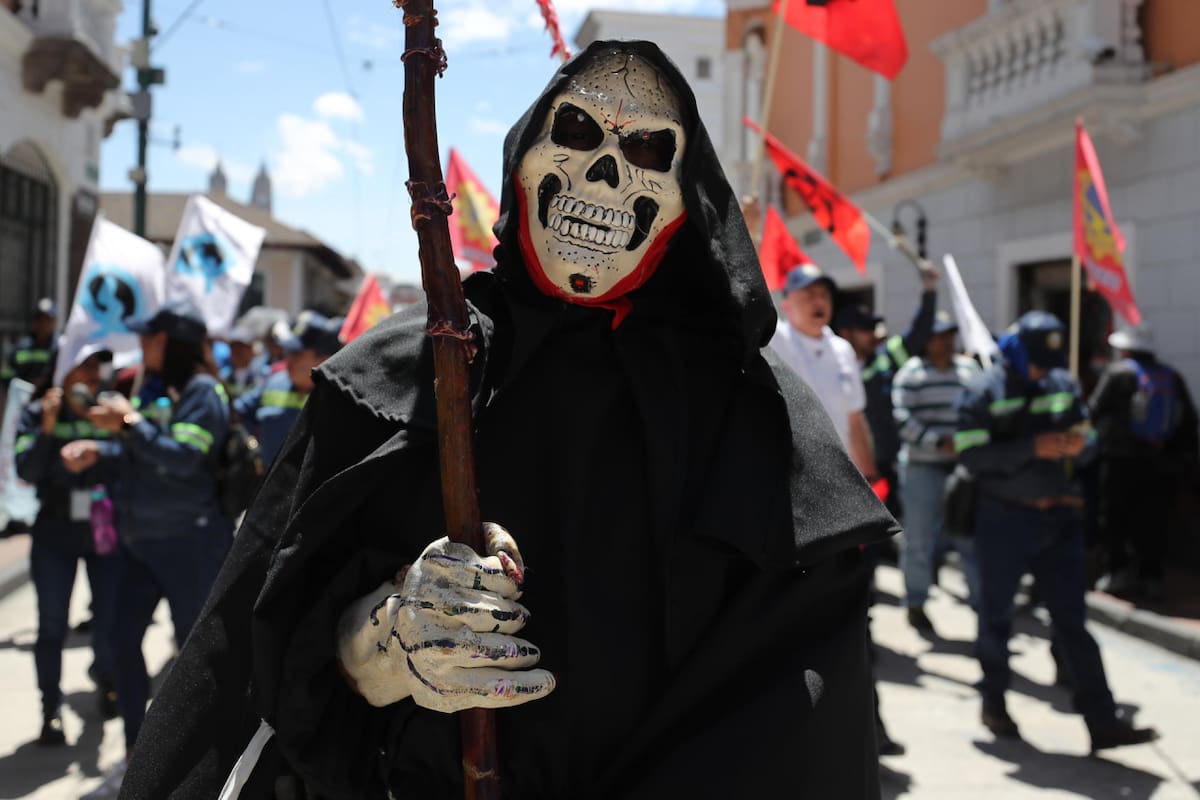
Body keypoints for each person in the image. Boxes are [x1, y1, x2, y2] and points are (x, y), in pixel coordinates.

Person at [118, 41, 898, 799]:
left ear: (680, 204)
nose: (601, 173)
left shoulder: (750, 411)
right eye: (578, 132)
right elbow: (254, 640)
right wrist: (379, 642)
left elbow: (794, 706)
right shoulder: (409, 368)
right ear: (524, 160)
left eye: (648, 151)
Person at [955, 310, 1158, 750]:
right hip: (1004, 519)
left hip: (1060, 520)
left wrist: (1079, 445)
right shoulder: (982, 390)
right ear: (1014, 352)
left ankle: (1103, 722)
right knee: (996, 618)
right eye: (1034, 361)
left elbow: (1089, 438)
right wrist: (1033, 447)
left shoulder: (1063, 384)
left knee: (1073, 624)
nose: (1041, 370)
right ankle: (994, 703)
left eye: (1048, 361)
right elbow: (970, 456)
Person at [73, 300, 232, 795]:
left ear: (171, 343)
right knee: (120, 644)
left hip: (190, 548)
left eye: (151, 338)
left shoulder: (206, 393)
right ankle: (136, 755)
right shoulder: (163, 390)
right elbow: (151, 455)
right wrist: (103, 447)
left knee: (198, 662)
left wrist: (130, 425)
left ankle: (203, 765)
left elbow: (184, 459)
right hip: (142, 547)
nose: (141, 345)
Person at [14, 350, 120, 746]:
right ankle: (50, 708)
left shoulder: (109, 409)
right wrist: (46, 428)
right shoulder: (40, 411)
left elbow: (127, 463)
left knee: (108, 616)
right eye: (86, 366)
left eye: (98, 367)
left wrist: (101, 447)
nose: (94, 375)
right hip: (55, 529)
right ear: (66, 369)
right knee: (52, 625)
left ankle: (106, 679)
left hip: (102, 524)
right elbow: (26, 471)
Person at [1089, 323, 1198, 601]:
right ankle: (1152, 576)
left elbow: (1094, 410)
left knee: (1115, 519)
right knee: (1154, 521)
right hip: (1162, 465)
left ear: (1126, 349)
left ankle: (1117, 572)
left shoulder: (1118, 374)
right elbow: (1189, 421)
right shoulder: (1171, 377)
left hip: (1120, 463)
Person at [892, 311, 980, 633]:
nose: (945, 342)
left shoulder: (970, 371)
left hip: (964, 469)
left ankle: (983, 607)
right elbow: (903, 419)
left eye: (949, 335)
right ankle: (916, 602)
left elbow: (980, 410)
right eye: (938, 336)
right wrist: (938, 442)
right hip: (921, 467)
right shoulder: (911, 374)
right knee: (918, 539)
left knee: (969, 537)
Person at [834, 267, 938, 517]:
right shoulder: (829, 369)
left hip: (887, 468)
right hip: (848, 472)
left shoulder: (885, 361)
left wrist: (930, 291)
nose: (872, 335)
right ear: (846, 333)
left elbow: (919, 334)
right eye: (864, 329)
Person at [770, 263, 875, 477]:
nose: (819, 302)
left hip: (838, 474)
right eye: (809, 295)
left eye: (824, 295)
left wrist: (869, 475)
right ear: (787, 305)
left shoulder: (842, 349)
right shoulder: (776, 340)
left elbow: (854, 419)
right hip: (791, 472)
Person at [234, 311, 343, 467]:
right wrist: (252, 445)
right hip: (269, 488)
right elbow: (240, 413)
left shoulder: (339, 396)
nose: (289, 359)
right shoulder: (274, 383)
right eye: (289, 352)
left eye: (297, 353)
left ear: (323, 359)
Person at [1, 297, 58, 395]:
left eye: (47, 319)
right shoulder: (21, 347)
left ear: (54, 321)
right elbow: (6, 373)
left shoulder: (59, 347)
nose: (43, 324)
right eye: (39, 319)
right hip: (20, 399)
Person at [221, 327, 264, 400]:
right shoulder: (223, 376)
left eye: (241, 348)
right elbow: (222, 399)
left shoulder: (262, 374)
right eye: (234, 347)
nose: (238, 352)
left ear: (251, 350)